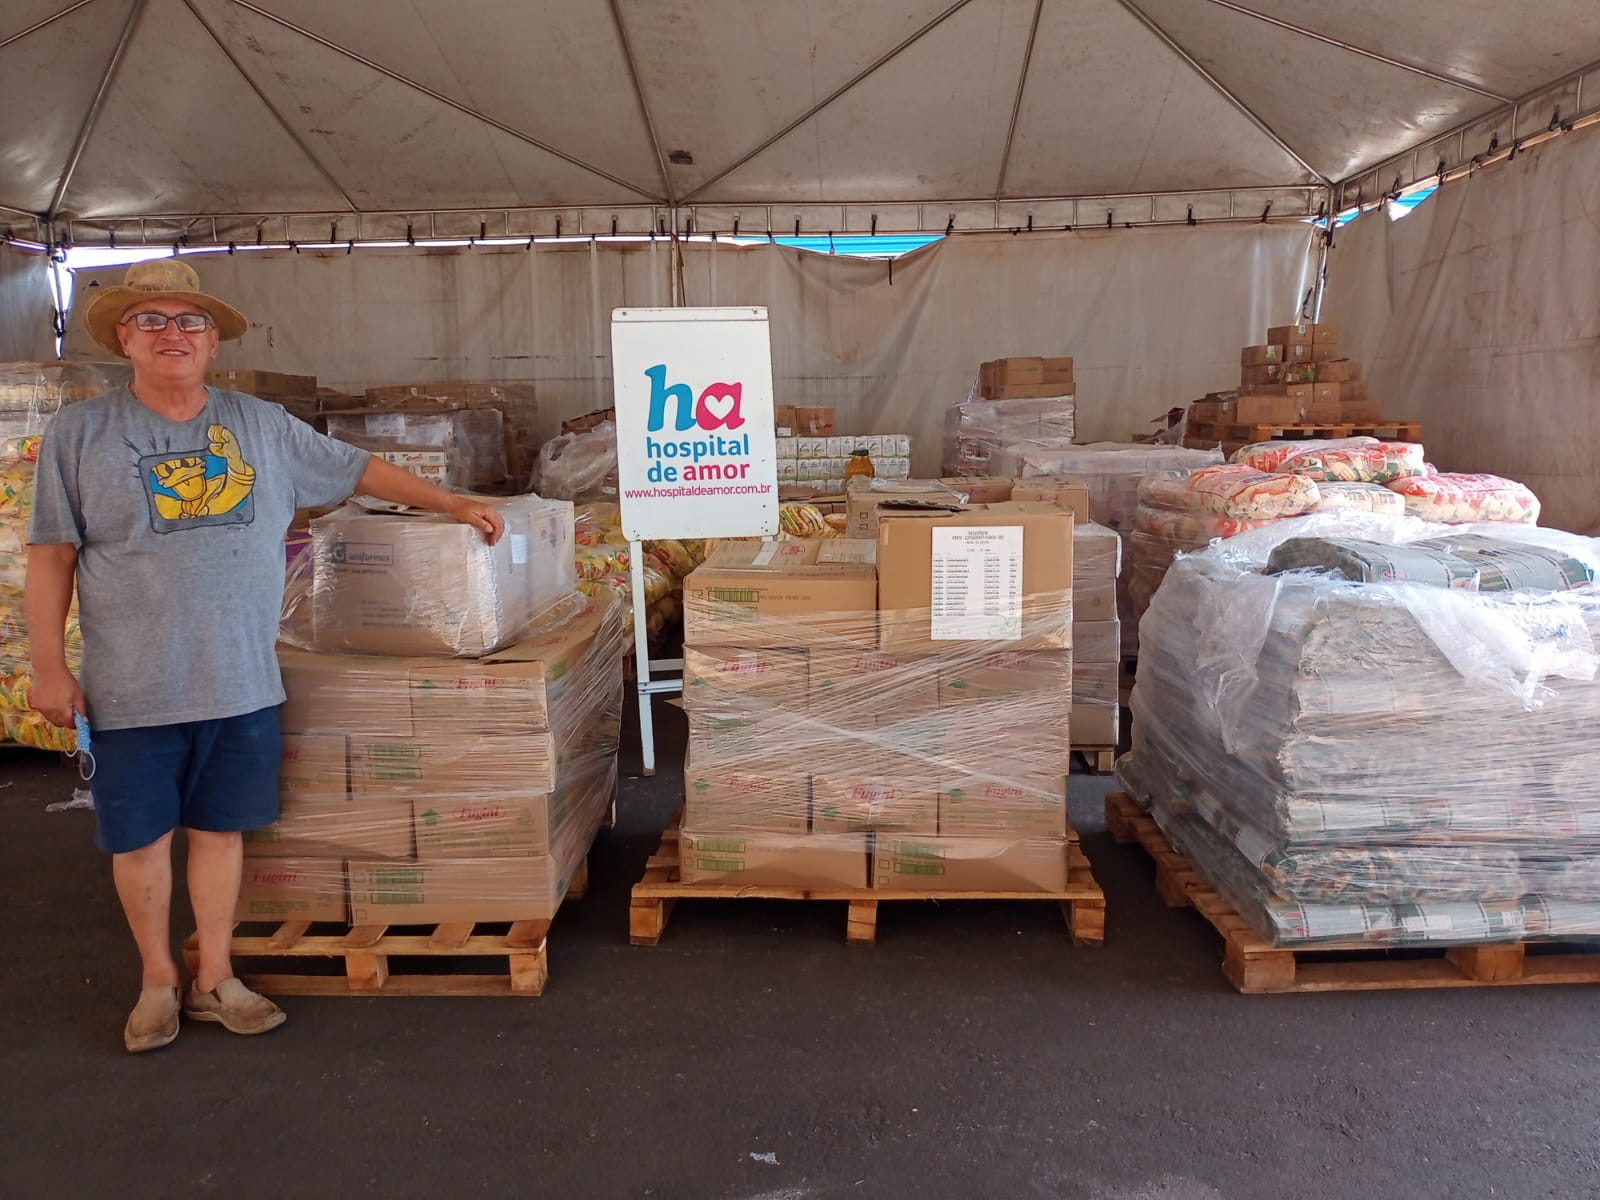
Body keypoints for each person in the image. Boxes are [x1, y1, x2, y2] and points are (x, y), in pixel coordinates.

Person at [24, 259, 506, 1053]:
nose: (173, 334)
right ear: (123, 339)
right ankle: (156, 982)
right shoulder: (80, 435)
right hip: (133, 687)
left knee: (221, 833)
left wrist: (452, 501)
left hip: (241, 682)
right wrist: (49, 667)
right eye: (152, 321)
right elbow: (51, 555)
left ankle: (216, 977)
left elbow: (356, 467)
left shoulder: (260, 425)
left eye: (190, 321)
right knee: (140, 842)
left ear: (213, 341)